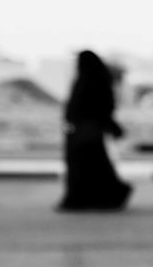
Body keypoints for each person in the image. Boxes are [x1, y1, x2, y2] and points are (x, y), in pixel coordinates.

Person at [56, 50, 132, 211]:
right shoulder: (92, 79)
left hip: (86, 133)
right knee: (95, 167)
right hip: (86, 132)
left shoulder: (92, 81)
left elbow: (99, 108)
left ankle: (82, 199)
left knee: (87, 168)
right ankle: (95, 198)